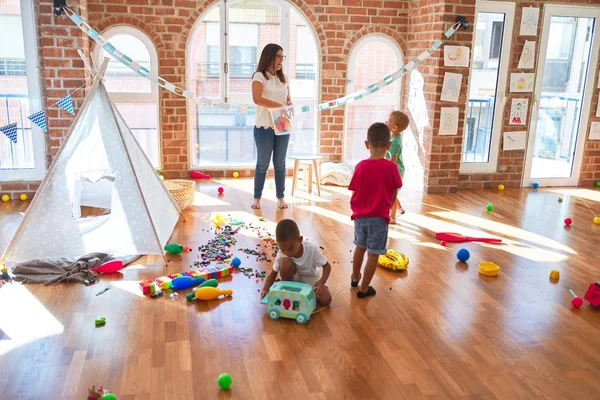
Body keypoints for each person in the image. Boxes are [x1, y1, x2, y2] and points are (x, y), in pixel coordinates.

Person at [348, 123, 402, 298]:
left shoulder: (360, 166)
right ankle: (364, 288)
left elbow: (355, 189)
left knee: (360, 247)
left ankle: (355, 277)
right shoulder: (391, 168)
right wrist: (387, 205)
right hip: (379, 218)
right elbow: (394, 193)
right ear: (388, 146)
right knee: (373, 254)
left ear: (366, 144)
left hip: (360, 217)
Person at [251, 43, 292, 210]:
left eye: (282, 56)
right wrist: (278, 105)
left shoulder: (284, 78)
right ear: (269, 57)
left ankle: (280, 197)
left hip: (282, 125)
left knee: (280, 163)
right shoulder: (259, 76)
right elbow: (257, 99)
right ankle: (257, 198)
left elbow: (288, 99)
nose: (281, 60)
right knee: (262, 163)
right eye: (278, 56)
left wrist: (288, 105)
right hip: (264, 127)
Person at [261, 219, 333, 307]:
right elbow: (273, 274)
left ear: (300, 239)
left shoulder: (311, 249)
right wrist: (265, 289)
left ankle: (303, 295)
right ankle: (289, 289)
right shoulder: (281, 254)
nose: (288, 253)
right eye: (283, 249)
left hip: (311, 278)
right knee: (284, 262)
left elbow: (327, 266)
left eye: (291, 249)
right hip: (292, 280)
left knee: (326, 299)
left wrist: (322, 282)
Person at [385, 111, 410, 223]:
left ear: (394, 127)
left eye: (388, 121)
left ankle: (393, 217)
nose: (386, 121)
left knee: (391, 195)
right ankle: (399, 209)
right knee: (392, 192)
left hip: (395, 172)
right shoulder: (394, 138)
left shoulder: (394, 142)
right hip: (395, 171)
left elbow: (393, 160)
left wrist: (383, 168)